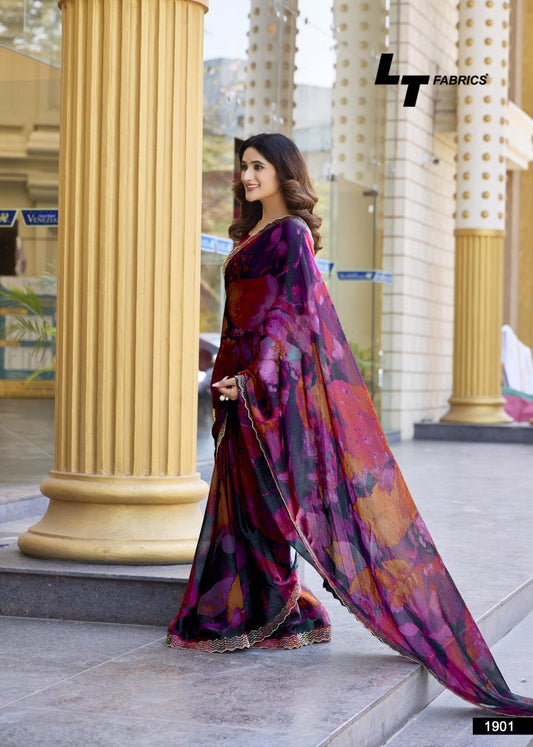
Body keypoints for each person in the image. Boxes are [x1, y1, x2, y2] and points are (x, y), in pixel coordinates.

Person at [167, 132, 533, 716]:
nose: (247, 176)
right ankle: (268, 608)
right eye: (243, 167)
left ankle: (273, 606)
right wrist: (230, 373)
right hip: (237, 381)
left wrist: (257, 378)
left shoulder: (290, 233)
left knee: (269, 501)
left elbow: (289, 317)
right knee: (243, 497)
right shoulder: (253, 232)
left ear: (284, 171)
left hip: (265, 385)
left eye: (258, 166)